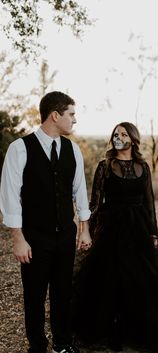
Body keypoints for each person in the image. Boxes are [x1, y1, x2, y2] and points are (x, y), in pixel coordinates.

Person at [71, 122, 158, 352]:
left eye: (123, 134)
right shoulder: (105, 166)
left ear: (133, 139)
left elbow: (150, 202)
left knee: (139, 280)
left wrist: (153, 232)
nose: (118, 137)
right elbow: (95, 203)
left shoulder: (143, 166)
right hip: (111, 229)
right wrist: (87, 232)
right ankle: (107, 331)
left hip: (138, 229)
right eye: (115, 134)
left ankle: (136, 331)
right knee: (109, 279)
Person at [0, 91, 92, 353]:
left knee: (63, 294)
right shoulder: (20, 148)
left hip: (65, 236)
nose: (75, 120)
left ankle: (62, 344)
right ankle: (38, 347)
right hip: (34, 238)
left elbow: (80, 192)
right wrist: (18, 238)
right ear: (55, 115)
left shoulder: (73, 150)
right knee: (35, 296)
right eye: (71, 114)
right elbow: (10, 197)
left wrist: (83, 230)